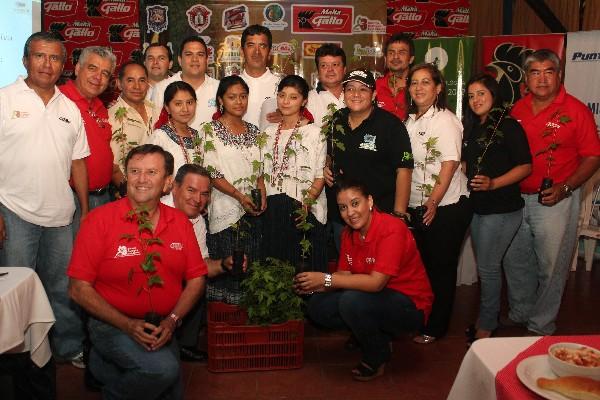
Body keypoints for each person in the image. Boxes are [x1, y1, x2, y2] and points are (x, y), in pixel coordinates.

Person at [67, 144, 207, 399]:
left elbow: (197, 278)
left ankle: (103, 365)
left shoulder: (180, 223)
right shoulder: (100, 220)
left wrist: (172, 320)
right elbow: (77, 289)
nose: (141, 179)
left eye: (151, 172)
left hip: (161, 323)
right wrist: (127, 324)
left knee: (169, 391)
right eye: (134, 171)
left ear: (167, 183)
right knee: (162, 371)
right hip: (111, 322)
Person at [0, 31, 89, 367]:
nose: (46, 64)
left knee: (63, 288)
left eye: (54, 58)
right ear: (25, 60)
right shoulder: (5, 99)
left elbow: (78, 162)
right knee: (15, 289)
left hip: (61, 217)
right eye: (39, 56)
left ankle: (68, 348)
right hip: (13, 211)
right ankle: (16, 354)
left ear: (63, 66)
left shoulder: (69, 109)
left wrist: (83, 210)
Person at [295, 178, 433, 381]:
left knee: (351, 301)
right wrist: (313, 285)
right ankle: (370, 333)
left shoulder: (391, 228)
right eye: (343, 208)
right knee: (317, 306)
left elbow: (376, 283)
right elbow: (344, 275)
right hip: (371, 298)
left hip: (409, 305)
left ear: (369, 201)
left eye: (355, 203)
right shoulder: (349, 234)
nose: (350, 213)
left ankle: (378, 355)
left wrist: (325, 280)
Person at [504, 49, 600, 335]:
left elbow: (593, 156)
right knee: (516, 260)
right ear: (526, 78)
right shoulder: (517, 109)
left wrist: (566, 187)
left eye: (549, 72)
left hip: (555, 200)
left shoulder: (576, 110)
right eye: (535, 72)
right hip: (515, 199)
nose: (542, 79)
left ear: (559, 75)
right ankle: (521, 311)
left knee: (551, 266)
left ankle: (541, 323)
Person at [461, 73, 532, 343]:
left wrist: (494, 183)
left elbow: (525, 166)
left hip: (501, 209)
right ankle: (490, 317)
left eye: (481, 93)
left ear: (494, 94)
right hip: (479, 208)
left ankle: (487, 325)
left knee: (489, 268)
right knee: (489, 266)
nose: (475, 99)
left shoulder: (509, 126)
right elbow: (473, 163)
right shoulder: (475, 126)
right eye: (470, 95)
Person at [405, 63, 472, 344]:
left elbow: (450, 163)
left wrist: (433, 201)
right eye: (414, 83)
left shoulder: (445, 120)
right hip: (417, 204)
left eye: (425, 82)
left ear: (438, 88)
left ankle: (436, 326)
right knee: (421, 267)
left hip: (446, 207)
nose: (419, 88)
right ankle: (422, 316)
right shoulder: (410, 121)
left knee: (440, 269)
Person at [324, 69, 414, 251]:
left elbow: (404, 170)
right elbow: (329, 154)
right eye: (350, 89)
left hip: (379, 216)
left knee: (378, 274)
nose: (355, 94)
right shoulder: (336, 120)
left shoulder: (391, 125)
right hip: (343, 217)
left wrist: (399, 215)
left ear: (374, 94)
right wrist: (326, 167)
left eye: (363, 89)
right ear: (344, 94)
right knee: (347, 272)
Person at [162, 163, 240, 362]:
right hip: (147, 285)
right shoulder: (155, 210)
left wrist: (224, 264)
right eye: (191, 190)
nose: (198, 199)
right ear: (175, 187)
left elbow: (201, 265)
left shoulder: (197, 221)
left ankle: (184, 344)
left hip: (173, 280)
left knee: (197, 282)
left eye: (204, 193)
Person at [203, 75, 266, 304]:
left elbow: (259, 169)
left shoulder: (254, 131)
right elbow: (212, 173)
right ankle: (225, 324)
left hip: (252, 210)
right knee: (229, 267)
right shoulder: (210, 131)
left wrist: (262, 193)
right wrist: (239, 197)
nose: (239, 102)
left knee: (250, 267)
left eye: (243, 96)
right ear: (221, 100)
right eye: (232, 97)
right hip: (225, 208)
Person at [263, 75, 327, 271]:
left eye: (293, 97)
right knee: (276, 269)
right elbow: (262, 172)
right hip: (274, 208)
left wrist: (306, 204)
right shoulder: (268, 132)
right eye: (282, 95)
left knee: (305, 271)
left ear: (304, 101)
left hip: (304, 209)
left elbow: (320, 175)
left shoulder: (315, 133)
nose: (286, 101)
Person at [60, 46, 116, 235]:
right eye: (92, 68)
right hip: (72, 199)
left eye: (105, 73)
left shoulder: (101, 107)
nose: (98, 77)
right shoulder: (59, 99)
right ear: (77, 68)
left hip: (103, 197)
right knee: (70, 261)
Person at [152, 36, 218, 131]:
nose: (195, 59)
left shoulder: (219, 88)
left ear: (207, 60)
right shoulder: (161, 88)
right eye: (189, 54)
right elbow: (156, 127)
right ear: (179, 60)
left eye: (200, 54)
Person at [108, 61, 155, 196]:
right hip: (127, 193)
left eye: (142, 80)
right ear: (119, 83)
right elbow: (113, 167)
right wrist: (131, 194)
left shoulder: (157, 111)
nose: (137, 86)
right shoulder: (112, 117)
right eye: (130, 80)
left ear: (148, 84)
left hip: (158, 192)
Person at [147, 81, 200, 175]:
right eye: (178, 104)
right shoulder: (160, 137)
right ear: (167, 108)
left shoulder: (196, 135)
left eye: (190, 102)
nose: (185, 109)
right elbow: (151, 172)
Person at [239, 24, 280, 129]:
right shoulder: (230, 85)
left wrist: (287, 116)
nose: (257, 52)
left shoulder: (282, 85)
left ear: (270, 52)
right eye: (251, 45)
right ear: (242, 52)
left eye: (262, 46)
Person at [306, 43, 347, 129]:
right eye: (324, 65)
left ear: (344, 70)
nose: (330, 69)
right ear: (317, 71)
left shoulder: (356, 96)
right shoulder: (308, 99)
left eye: (335, 64)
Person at [375, 33, 414, 121]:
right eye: (391, 52)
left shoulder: (417, 88)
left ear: (411, 59)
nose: (395, 56)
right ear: (385, 58)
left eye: (401, 53)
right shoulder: (375, 86)